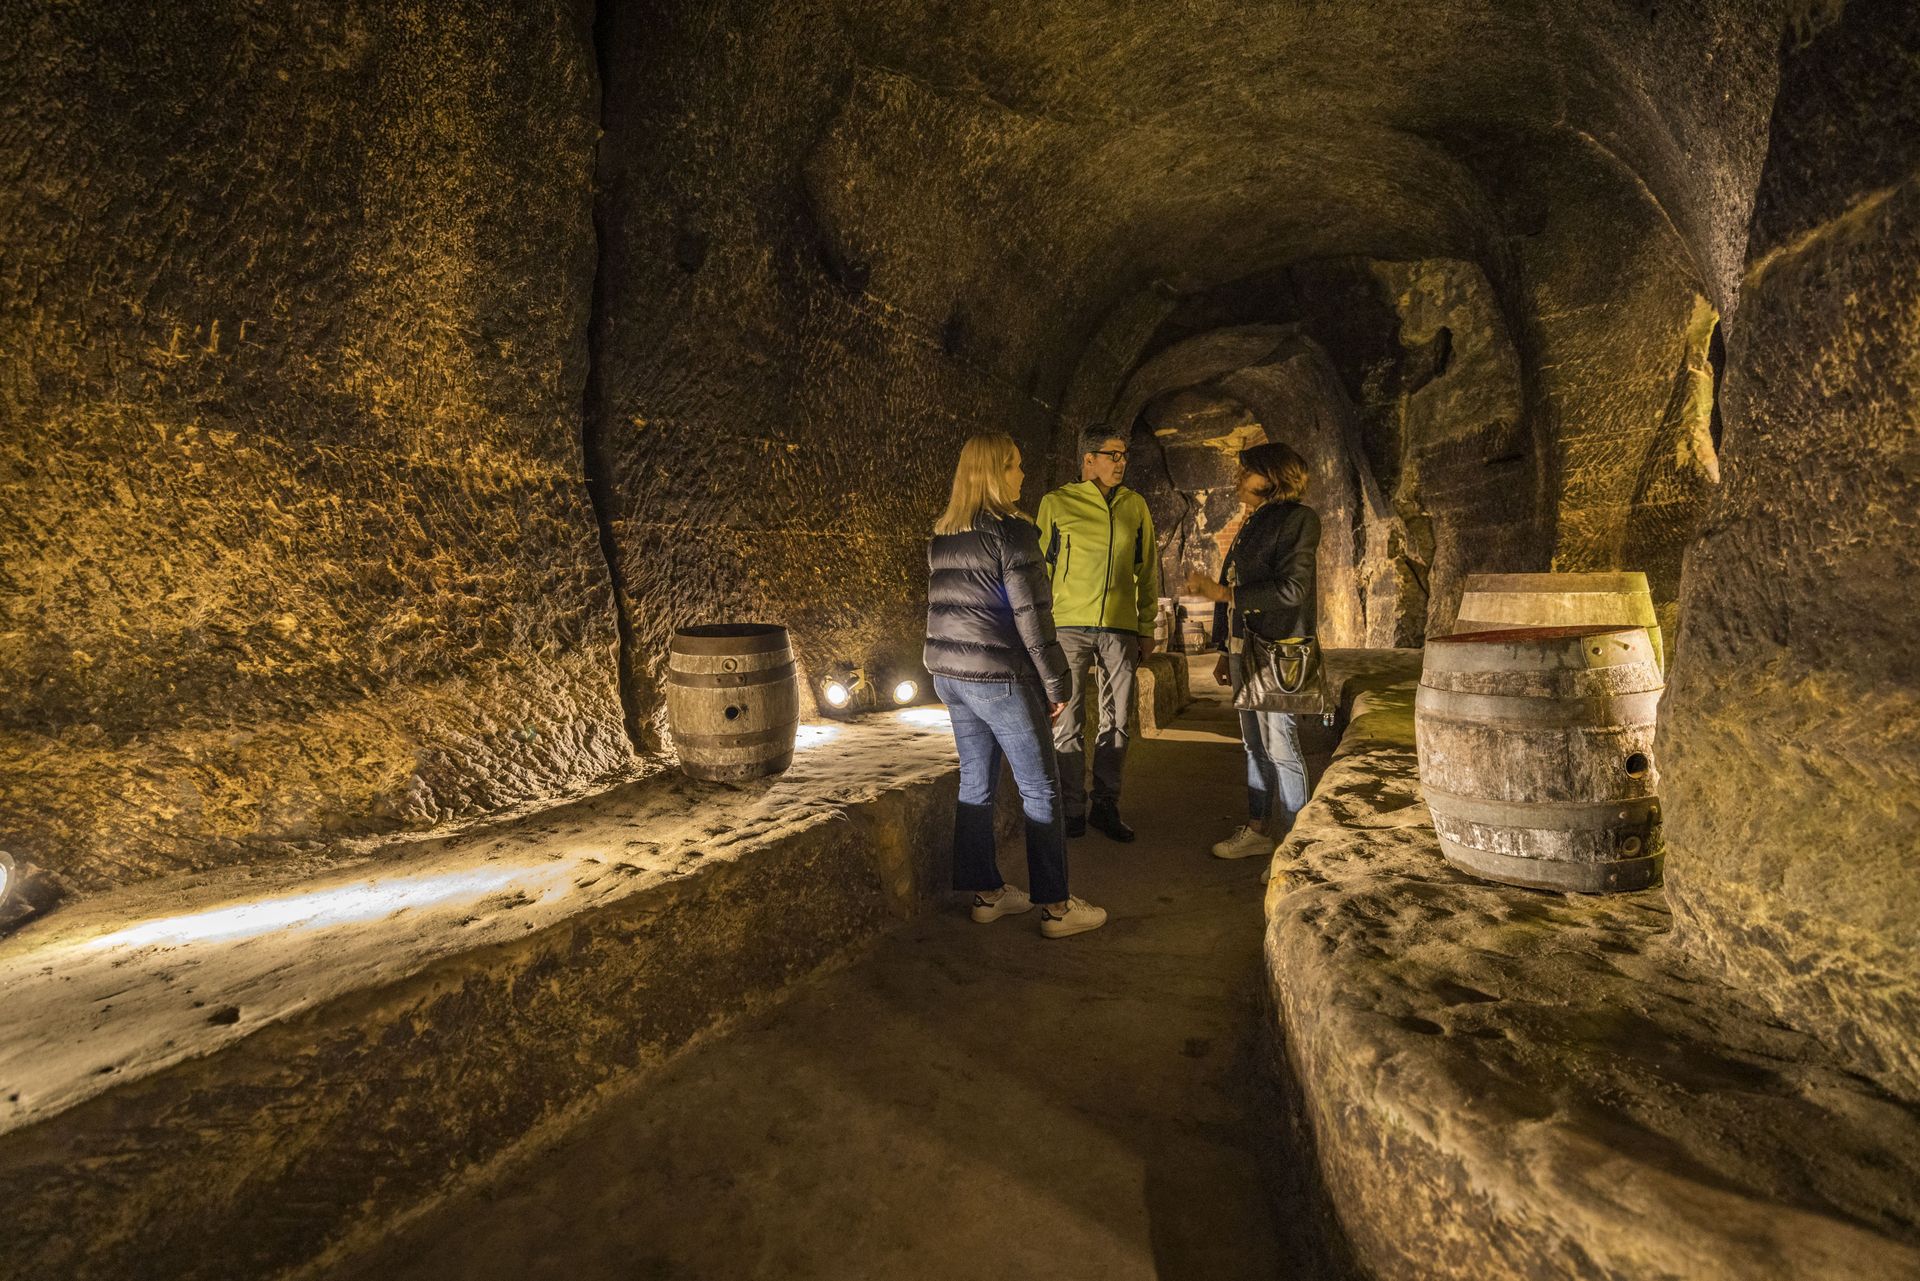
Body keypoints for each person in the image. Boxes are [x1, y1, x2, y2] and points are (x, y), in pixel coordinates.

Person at [924, 432, 1108, 938]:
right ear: (996, 472)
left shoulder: (944, 533)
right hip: (999, 677)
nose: (1023, 475)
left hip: (950, 676)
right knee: (1041, 788)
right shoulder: (1012, 532)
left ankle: (986, 894)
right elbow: (1032, 617)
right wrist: (1056, 682)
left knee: (975, 784)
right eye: (1017, 466)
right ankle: (1055, 907)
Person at [1185, 442, 1319, 860]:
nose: (1239, 479)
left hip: (1279, 650)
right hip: (1246, 648)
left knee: (1281, 745)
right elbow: (1234, 581)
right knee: (1253, 745)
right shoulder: (1255, 519)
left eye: (1247, 472)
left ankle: (1295, 847)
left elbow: (1292, 590)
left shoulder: (1299, 519)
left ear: (1274, 477)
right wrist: (1226, 649)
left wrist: (1224, 592)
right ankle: (1260, 828)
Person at [1035, 425, 1159, 842]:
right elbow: (1041, 569)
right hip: (1067, 626)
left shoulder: (1134, 506)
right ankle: (1072, 807)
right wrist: (1038, 629)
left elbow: (1148, 570)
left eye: (1124, 455)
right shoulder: (1056, 503)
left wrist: (1146, 624)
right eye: (1112, 455)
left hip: (1120, 628)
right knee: (1067, 720)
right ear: (1088, 459)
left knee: (1118, 720)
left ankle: (1106, 804)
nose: (1120, 462)